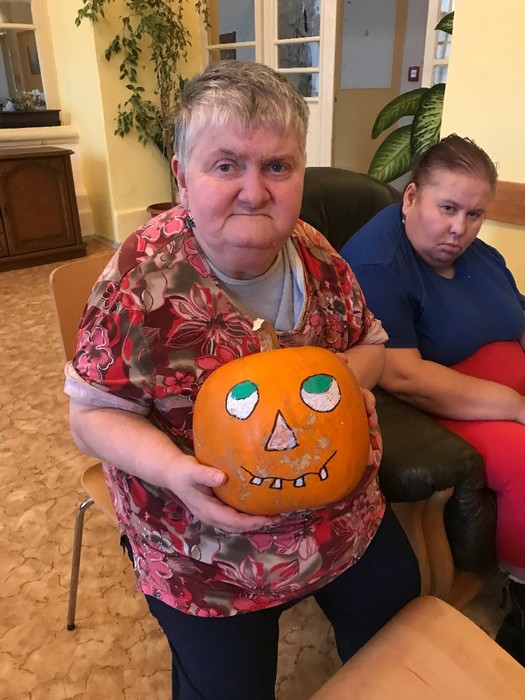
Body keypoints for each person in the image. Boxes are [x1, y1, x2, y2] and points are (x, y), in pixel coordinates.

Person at [65, 60, 420, 700]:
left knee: (399, 621)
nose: (255, 192)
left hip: (338, 513)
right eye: (226, 165)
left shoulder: (318, 256)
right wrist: (174, 471)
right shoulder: (138, 282)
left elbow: (369, 346)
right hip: (202, 546)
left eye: (277, 166)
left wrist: (338, 386)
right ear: (182, 177)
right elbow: (90, 415)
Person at [341, 134, 525, 665]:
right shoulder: (377, 263)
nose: (459, 229)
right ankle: (522, 604)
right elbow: (405, 377)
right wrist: (516, 406)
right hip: (447, 400)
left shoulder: (480, 255)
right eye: (447, 208)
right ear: (411, 197)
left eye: (474, 214)